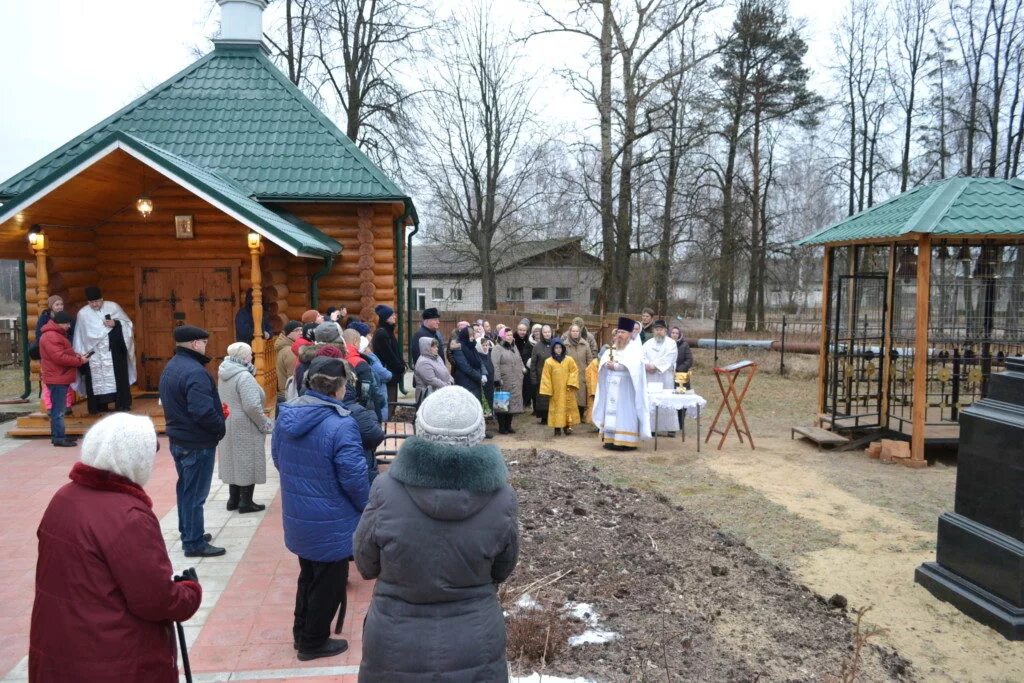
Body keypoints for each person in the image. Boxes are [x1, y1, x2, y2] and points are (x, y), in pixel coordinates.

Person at [354, 386, 518, 682]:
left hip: (395, 639)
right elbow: (503, 567)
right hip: (475, 639)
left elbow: (366, 564)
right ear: (477, 434)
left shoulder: (386, 489)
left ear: (421, 430)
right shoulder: (501, 497)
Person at [30, 413, 203, 682]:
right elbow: (156, 600)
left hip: (60, 650)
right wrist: (189, 592)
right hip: (115, 659)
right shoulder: (128, 516)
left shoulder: (62, 499)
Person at [273, 356, 369, 662]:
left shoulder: (287, 416)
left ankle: (301, 633)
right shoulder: (341, 424)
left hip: (300, 514)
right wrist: (367, 508)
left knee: (309, 576)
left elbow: (278, 459)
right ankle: (313, 642)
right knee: (328, 582)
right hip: (332, 519)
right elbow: (354, 478)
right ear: (338, 388)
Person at [159, 325, 227, 558]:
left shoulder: (172, 366)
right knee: (195, 494)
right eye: (204, 342)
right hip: (196, 442)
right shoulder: (195, 372)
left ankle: (189, 530)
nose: (206, 346)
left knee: (186, 490)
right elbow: (202, 412)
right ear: (195, 344)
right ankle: (193, 542)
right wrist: (220, 427)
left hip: (180, 438)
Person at [218, 342, 274, 513]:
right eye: (250, 354)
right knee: (247, 460)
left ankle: (233, 500)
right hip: (245, 424)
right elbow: (251, 406)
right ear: (243, 356)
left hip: (228, 420)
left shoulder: (224, 372)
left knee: (233, 459)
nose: (252, 356)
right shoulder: (244, 376)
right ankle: (246, 502)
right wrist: (265, 423)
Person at [73, 286, 136, 414]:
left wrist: (116, 324)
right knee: (95, 380)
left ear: (102, 299)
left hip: (114, 351)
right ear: (88, 302)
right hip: (94, 354)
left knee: (118, 377)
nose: (95, 304)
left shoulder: (113, 307)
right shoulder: (83, 313)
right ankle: (98, 406)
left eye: (97, 301)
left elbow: (127, 324)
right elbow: (80, 335)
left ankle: (122, 404)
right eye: (91, 302)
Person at [593, 318, 652, 450]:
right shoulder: (614, 347)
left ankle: (626, 441)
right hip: (612, 385)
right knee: (610, 412)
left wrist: (617, 366)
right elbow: (604, 358)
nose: (620, 335)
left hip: (626, 388)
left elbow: (635, 365)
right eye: (618, 332)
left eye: (623, 332)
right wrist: (605, 364)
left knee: (624, 413)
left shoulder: (634, 348)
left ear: (630, 334)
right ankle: (610, 439)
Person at [38, 311, 88, 447]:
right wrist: (79, 361)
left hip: (58, 376)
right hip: (57, 377)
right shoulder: (51, 336)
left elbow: (63, 353)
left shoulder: (55, 335)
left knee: (57, 409)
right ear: (58, 323)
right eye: (66, 324)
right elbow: (59, 357)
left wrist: (77, 356)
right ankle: (59, 438)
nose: (68, 326)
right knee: (59, 411)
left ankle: (57, 436)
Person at [643, 320, 679, 436]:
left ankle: (670, 427)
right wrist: (647, 365)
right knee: (652, 400)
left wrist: (654, 365)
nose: (659, 332)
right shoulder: (647, 343)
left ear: (665, 330)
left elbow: (670, 357)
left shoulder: (671, 343)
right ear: (653, 331)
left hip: (665, 377)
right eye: (656, 330)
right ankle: (652, 428)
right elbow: (641, 356)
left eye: (661, 330)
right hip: (651, 377)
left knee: (667, 400)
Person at [539, 338, 580, 436]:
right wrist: (548, 390)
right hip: (556, 391)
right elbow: (546, 376)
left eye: (560, 347)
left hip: (567, 389)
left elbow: (574, 371)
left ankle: (567, 427)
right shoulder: (549, 362)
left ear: (563, 348)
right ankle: (557, 428)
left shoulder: (569, 360)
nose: (558, 349)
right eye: (556, 348)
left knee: (567, 408)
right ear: (553, 349)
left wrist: (571, 382)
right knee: (556, 409)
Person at [341, 327, 381, 418]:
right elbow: (366, 391)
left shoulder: (338, 358)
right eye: (359, 342)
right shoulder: (360, 362)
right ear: (355, 341)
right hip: (361, 412)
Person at [492, 328, 525, 434]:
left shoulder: (514, 347)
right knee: (502, 403)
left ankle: (508, 425)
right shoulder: (497, 348)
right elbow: (495, 365)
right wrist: (497, 379)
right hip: (504, 380)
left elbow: (519, 359)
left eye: (511, 335)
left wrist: (523, 370)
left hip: (515, 379)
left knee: (512, 403)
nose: (510, 337)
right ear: (502, 336)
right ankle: (502, 427)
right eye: (508, 335)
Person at [372, 305, 405, 409]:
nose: (395, 317)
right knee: (389, 404)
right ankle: (388, 424)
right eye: (392, 315)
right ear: (386, 318)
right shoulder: (382, 334)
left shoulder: (387, 332)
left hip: (393, 374)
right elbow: (389, 357)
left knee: (392, 403)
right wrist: (400, 367)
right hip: (389, 375)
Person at [564, 324, 594, 423]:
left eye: (577, 331)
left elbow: (590, 360)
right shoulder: (565, 345)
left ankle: (580, 415)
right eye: (573, 331)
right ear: (570, 332)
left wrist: (589, 373)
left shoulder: (585, 344)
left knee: (581, 397)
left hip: (582, 374)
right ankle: (570, 417)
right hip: (570, 374)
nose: (575, 333)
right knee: (571, 395)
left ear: (579, 332)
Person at [413, 337, 453, 403]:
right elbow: (431, 380)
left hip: (440, 393)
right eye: (434, 347)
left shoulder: (437, 357)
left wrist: (451, 380)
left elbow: (445, 370)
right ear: (426, 348)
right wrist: (447, 386)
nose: (437, 349)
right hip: (427, 396)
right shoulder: (423, 362)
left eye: (436, 347)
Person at [451, 325, 484, 400]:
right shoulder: (458, 349)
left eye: (473, 335)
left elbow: (479, 361)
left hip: (475, 381)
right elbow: (466, 367)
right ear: (465, 336)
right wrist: (479, 376)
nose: (472, 338)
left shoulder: (471, 346)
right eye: (470, 336)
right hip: (466, 382)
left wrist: (483, 374)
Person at [529, 324, 553, 423]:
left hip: (553, 376)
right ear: (542, 334)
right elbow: (533, 364)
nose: (547, 334)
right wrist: (533, 378)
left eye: (548, 332)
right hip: (541, 376)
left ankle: (552, 416)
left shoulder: (555, 344)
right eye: (545, 332)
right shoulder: (537, 347)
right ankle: (543, 417)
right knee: (542, 398)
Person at [276, 320, 303, 407]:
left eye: (301, 330)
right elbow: (293, 377)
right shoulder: (290, 351)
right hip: (289, 396)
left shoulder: (288, 348)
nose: (300, 332)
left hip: (284, 394)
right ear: (288, 333)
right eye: (297, 330)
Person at [513, 320, 534, 409]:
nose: (522, 332)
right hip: (515, 365)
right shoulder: (513, 338)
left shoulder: (528, 339)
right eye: (520, 330)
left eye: (524, 330)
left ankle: (526, 402)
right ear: (517, 330)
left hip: (526, 365)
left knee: (527, 384)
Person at [585, 349, 602, 429]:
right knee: (594, 405)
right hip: (595, 387)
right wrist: (593, 390)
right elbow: (592, 378)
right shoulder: (595, 363)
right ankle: (595, 424)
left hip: (601, 386)